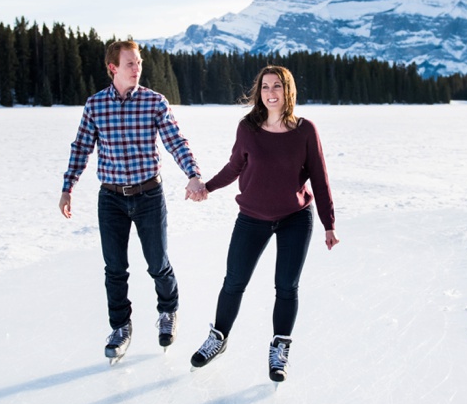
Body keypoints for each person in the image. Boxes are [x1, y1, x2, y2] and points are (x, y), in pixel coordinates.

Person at [189, 65, 339, 382]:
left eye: (277, 86)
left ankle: (279, 349)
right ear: (259, 93)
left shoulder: (305, 130)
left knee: (286, 287)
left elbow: (320, 180)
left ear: (288, 91)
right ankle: (219, 337)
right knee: (234, 281)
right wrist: (208, 187)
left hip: (295, 218)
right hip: (252, 217)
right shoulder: (248, 128)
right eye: (265, 87)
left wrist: (329, 223)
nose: (271, 93)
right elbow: (234, 167)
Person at [59, 40, 206, 363]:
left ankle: (168, 311)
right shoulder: (95, 105)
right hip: (110, 198)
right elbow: (81, 147)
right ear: (113, 67)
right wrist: (68, 186)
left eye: (139, 63)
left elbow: (175, 141)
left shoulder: (154, 102)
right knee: (115, 268)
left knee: (158, 263)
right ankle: (120, 327)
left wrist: (193, 174)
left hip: (149, 195)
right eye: (130, 64)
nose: (137, 68)